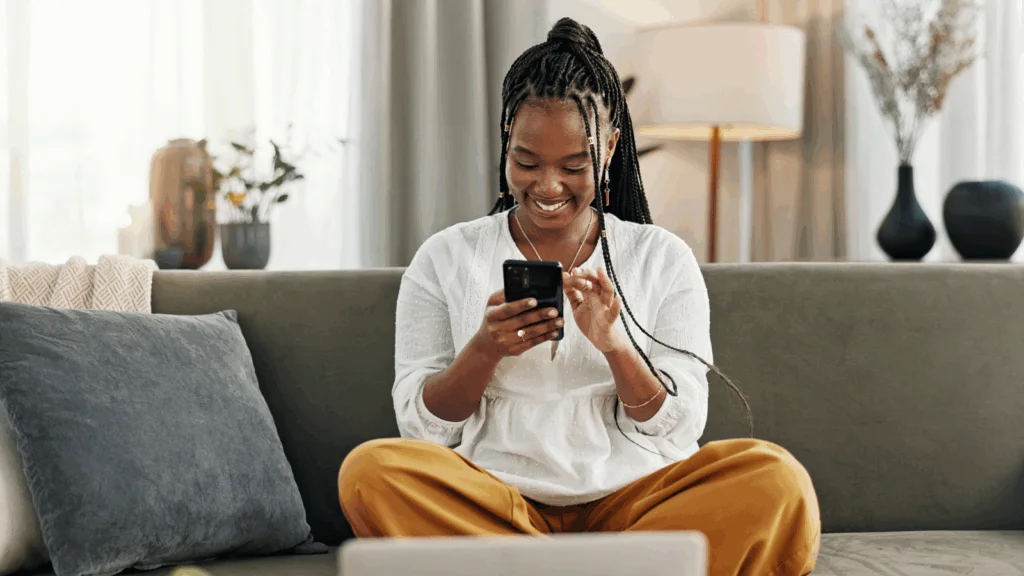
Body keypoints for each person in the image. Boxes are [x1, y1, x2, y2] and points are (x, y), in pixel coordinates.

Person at [338, 17, 821, 576]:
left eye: (574, 165)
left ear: (610, 148)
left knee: (776, 481)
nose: (547, 186)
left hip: (636, 502)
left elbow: (680, 427)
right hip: (495, 500)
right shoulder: (445, 258)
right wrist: (485, 350)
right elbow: (423, 431)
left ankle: (530, 569)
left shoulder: (661, 257)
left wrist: (616, 347)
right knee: (371, 472)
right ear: (505, 145)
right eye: (526, 162)